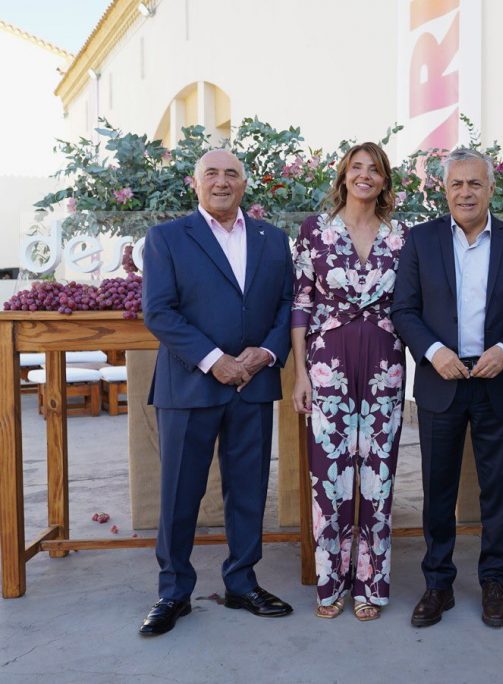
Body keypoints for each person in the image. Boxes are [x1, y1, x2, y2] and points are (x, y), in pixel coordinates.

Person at [139, 149, 295, 636]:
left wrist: (264, 354)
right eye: (211, 173)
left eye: (231, 173)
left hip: (254, 384)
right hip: (190, 385)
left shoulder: (273, 239)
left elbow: (287, 305)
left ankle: (242, 583)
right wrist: (215, 360)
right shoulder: (167, 238)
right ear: (196, 182)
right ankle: (173, 592)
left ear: (245, 184)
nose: (221, 182)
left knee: (248, 490)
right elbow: (159, 312)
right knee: (179, 494)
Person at [392, 148, 503, 629]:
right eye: (456, 184)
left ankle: (494, 582)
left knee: (496, 489)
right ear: (444, 190)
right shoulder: (421, 241)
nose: (465, 192)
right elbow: (404, 310)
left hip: (496, 380)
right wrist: (433, 352)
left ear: (491, 189)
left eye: (475, 183)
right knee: (438, 488)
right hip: (441, 380)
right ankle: (438, 583)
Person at [291, 143, 406, 621]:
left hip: (384, 363)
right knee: (329, 477)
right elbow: (301, 303)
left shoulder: (401, 236)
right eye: (356, 167)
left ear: (384, 181)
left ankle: (371, 585)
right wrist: (300, 374)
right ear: (343, 176)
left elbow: (410, 303)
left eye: (374, 169)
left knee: (378, 476)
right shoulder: (314, 230)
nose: (365, 175)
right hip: (327, 363)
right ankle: (331, 584)